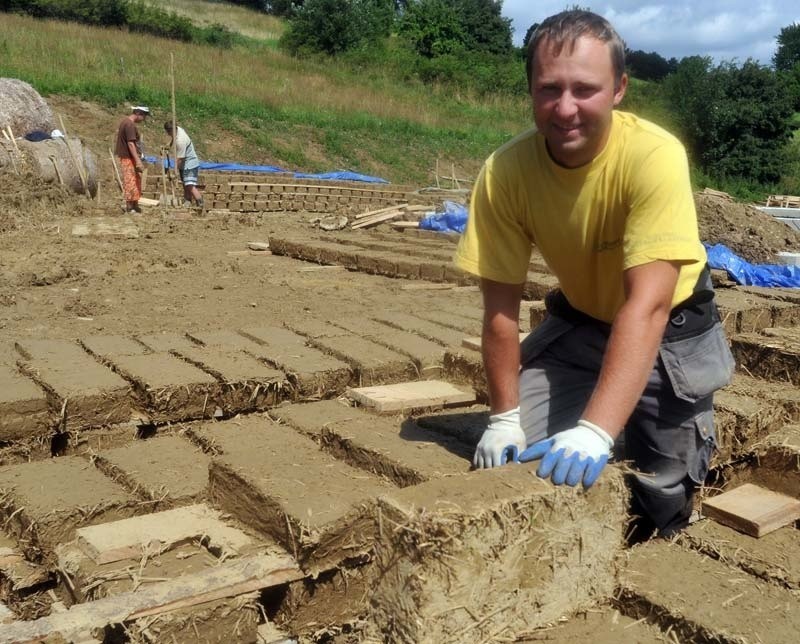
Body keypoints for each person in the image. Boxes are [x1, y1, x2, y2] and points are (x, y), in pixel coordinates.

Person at [454, 9, 735, 539]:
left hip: (671, 327)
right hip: (582, 322)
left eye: (585, 89)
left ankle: (643, 472)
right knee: (508, 462)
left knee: (662, 487)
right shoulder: (506, 172)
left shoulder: (653, 156)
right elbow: (499, 315)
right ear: (531, 91)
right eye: (548, 89)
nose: (565, 109)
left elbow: (646, 307)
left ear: (619, 88)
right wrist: (503, 417)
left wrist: (595, 430)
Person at [115, 106, 149, 214]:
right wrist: (137, 160)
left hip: (130, 157)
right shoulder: (129, 125)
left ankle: (135, 205)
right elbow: (131, 144)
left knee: (135, 180)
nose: (144, 119)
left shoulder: (126, 122)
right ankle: (130, 207)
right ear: (138, 113)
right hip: (128, 157)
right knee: (130, 181)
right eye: (143, 116)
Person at [164, 121, 203, 209]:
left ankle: (200, 203)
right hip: (184, 164)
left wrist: (175, 171)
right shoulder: (179, 129)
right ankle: (187, 200)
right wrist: (169, 145)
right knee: (185, 184)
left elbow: (179, 159)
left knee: (189, 185)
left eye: (168, 133)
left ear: (170, 131)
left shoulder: (181, 141)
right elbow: (174, 137)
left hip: (190, 163)